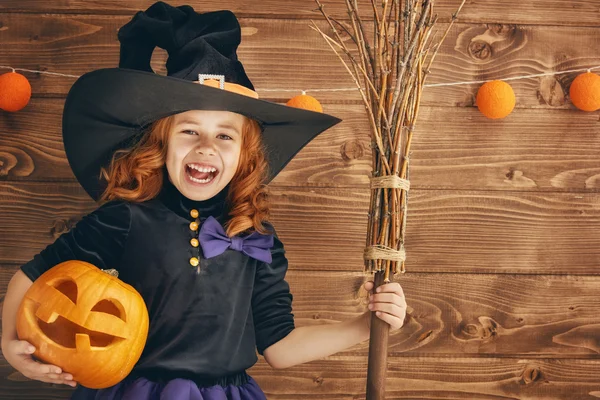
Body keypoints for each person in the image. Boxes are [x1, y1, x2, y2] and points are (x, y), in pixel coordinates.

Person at [1, 2, 408, 399]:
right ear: (160, 144)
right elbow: (35, 274)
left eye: (225, 135)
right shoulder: (125, 218)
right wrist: (8, 343)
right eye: (189, 131)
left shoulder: (258, 238)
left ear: (246, 155)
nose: (207, 146)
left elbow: (280, 348)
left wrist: (365, 324)